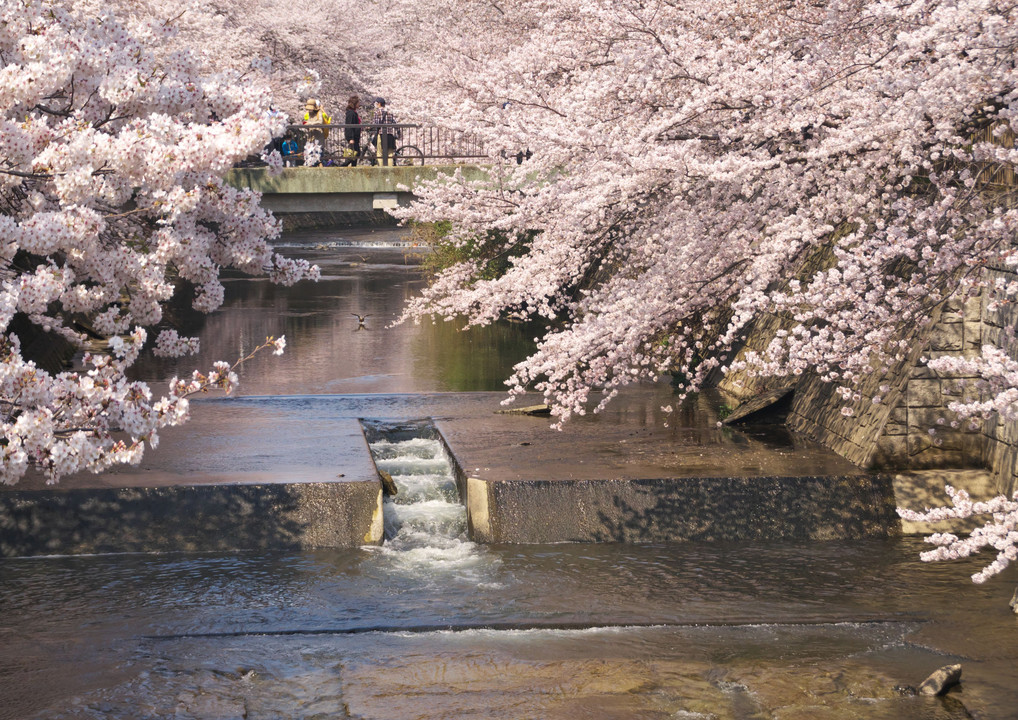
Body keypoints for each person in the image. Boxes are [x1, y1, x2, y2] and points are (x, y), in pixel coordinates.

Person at [302, 98, 331, 165]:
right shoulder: (308, 114)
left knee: (319, 156)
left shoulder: (319, 113)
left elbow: (320, 122)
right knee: (310, 157)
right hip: (311, 136)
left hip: (318, 136)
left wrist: (310, 123)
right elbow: (307, 121)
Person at [372, 97, 399, 167]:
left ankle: (382, 169)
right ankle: (390, 169)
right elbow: (394, 123)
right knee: (390, 154)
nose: (376, 105)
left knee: (379, 153)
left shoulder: (377, 112)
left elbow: (376, 124)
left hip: (381, 134)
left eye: (376, 103)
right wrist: (398, 132)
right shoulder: (390, 112)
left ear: (379, 104)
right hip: (390, 134)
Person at [341, 95, 362, 167]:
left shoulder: (353, 112)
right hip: (353, 137)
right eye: (358, 103)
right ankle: (341, 167)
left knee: (355, 154)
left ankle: (353, 168)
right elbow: (349, 126)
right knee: (354, 154)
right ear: (354, 103)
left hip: (355, 137)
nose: (359, 104)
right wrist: (351, 138)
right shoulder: (351, 113)